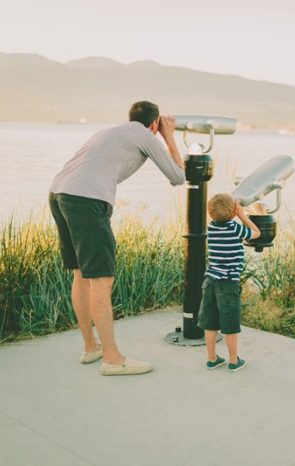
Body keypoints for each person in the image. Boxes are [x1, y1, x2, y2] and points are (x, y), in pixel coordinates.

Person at [48, 101, 185, 376]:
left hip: (58, 192)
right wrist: (169, 137)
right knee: (100, 279)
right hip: (86, 200)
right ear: (155, 123)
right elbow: (178, 176)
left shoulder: (111, 131)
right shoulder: (146, 135)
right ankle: (112, 359)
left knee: (80, 274)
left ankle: (91, 347)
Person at [198, 193, 260, 371]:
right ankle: (233, 361)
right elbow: (256, 233)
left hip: (210, 281)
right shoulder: (235, 228)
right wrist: (242, 215)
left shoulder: (211, 228)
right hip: (228, 284)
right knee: (230, 325)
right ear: (233, 213)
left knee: (210, 323)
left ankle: (212, 359)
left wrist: (233, 212)